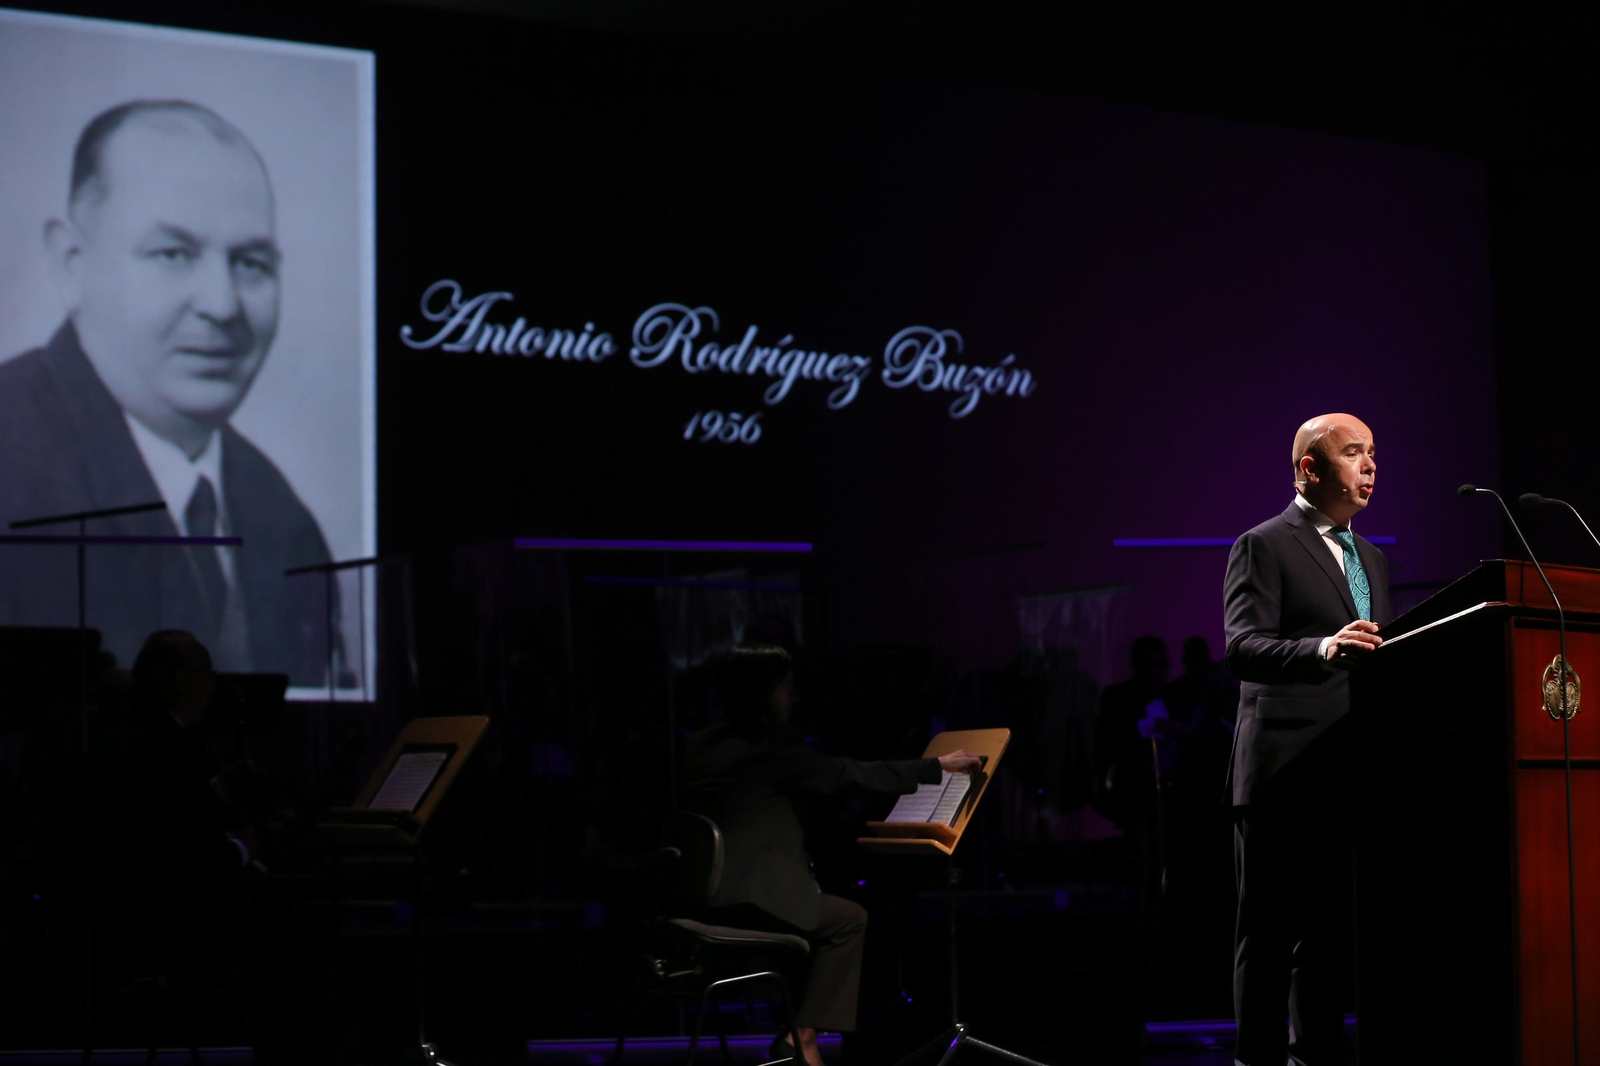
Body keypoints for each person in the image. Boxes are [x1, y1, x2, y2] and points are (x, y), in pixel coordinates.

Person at [0, 99, 332, 683]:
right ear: (72, 263)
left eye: (251, 263)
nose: (222, 304)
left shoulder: (282, 519)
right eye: (173, 254)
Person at [681, 643, 982, 1066]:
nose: (794, 697)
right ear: (763, 694)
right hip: (746, 900)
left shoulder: (702, 744)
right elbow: (845, 774)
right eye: (787, 688)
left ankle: (795, 1028)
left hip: (698, 896)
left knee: (808, 908)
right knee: (847, 920)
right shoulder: (769, 750)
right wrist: (933, 767)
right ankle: (802, 1038)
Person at [1223, 413, 1390, 1065]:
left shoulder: (1370, 556)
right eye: (1354, 453)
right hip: (1281, 773)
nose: (1371, 465)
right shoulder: (1262, 544)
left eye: (1374, 452)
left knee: (1331, 939)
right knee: (1268, 938)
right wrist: (1324, 646)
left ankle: (1316, 1055)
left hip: (1347, 771)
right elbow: (1243, 647)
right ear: (1309, 469)